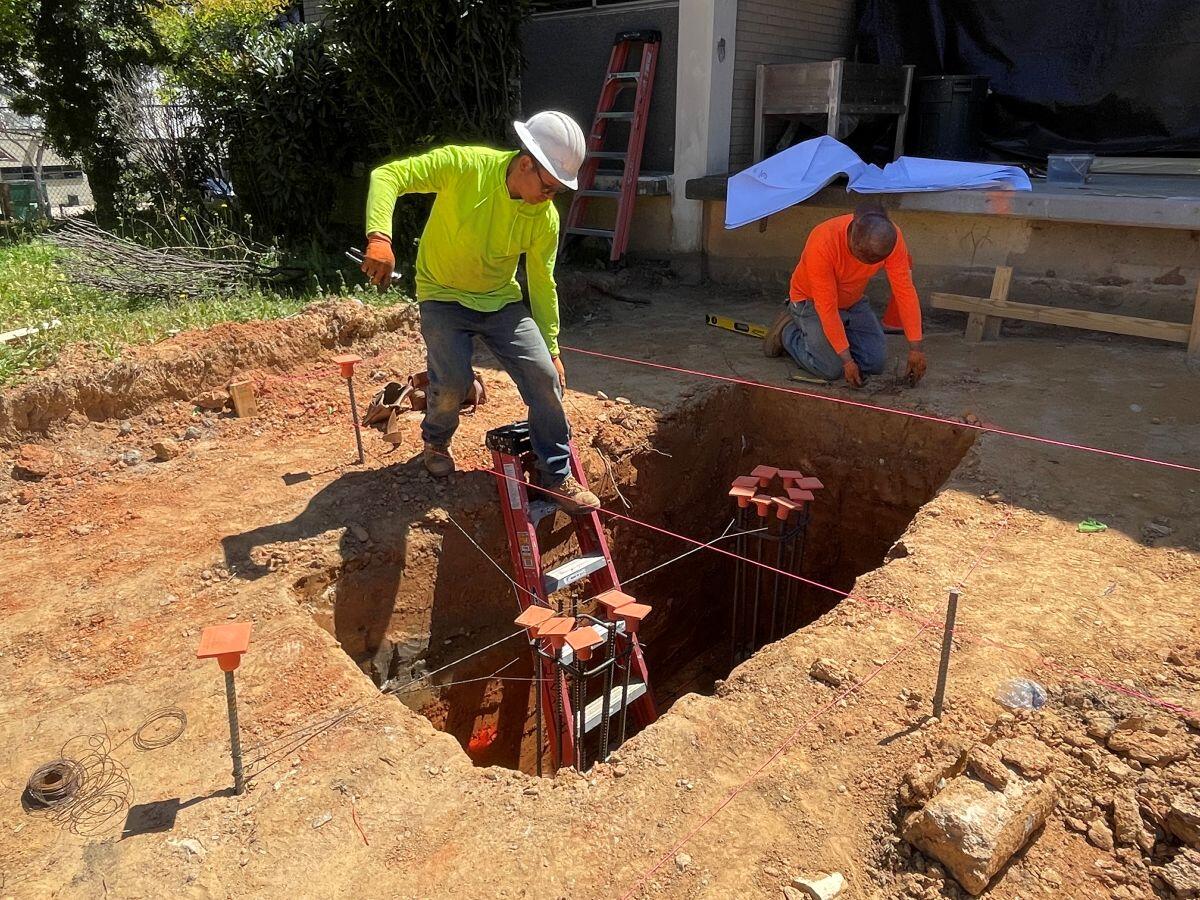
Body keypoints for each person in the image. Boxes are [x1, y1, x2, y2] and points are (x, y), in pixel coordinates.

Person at [360, 111, 600, 514]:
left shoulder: (545, 219)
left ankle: (556, 475)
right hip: (442, 294)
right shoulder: (465, 165)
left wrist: (553, 348)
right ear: (526, 163)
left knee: (544, 376)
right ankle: (436, 440)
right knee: (452, 378)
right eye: (547, 186)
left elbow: (542, 282)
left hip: (499, 301)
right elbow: (388, 176)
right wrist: (379, 236)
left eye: (558, 191)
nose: (550, 197)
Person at [763, 204, 927, 387]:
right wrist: (847, 361)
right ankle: (787, 332)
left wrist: (916, 348)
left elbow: (904, 291)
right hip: (810, 302)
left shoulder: (890, 237)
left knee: (874, 363)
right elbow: (826, 308)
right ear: (853, 242)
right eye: (866, 257)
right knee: (831, 369)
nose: (873, 264)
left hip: (852, 301)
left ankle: (835, 337)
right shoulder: (823, 242)